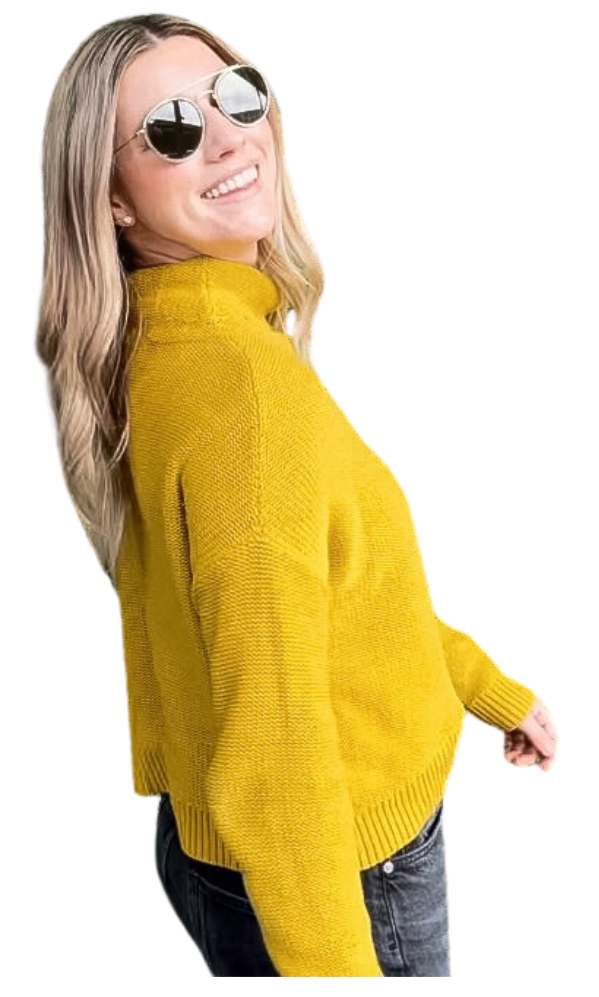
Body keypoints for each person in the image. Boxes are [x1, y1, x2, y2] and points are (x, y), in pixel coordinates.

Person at [33, 12, 559, 978]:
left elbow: (338, 593)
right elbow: (274, 749)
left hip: (233, 857)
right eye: (171, 129)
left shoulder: (170, 344)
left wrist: (479, 684)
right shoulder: (244, 398)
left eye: (237, 96)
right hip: (343, 875)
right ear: (110, 198)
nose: (229, 138)